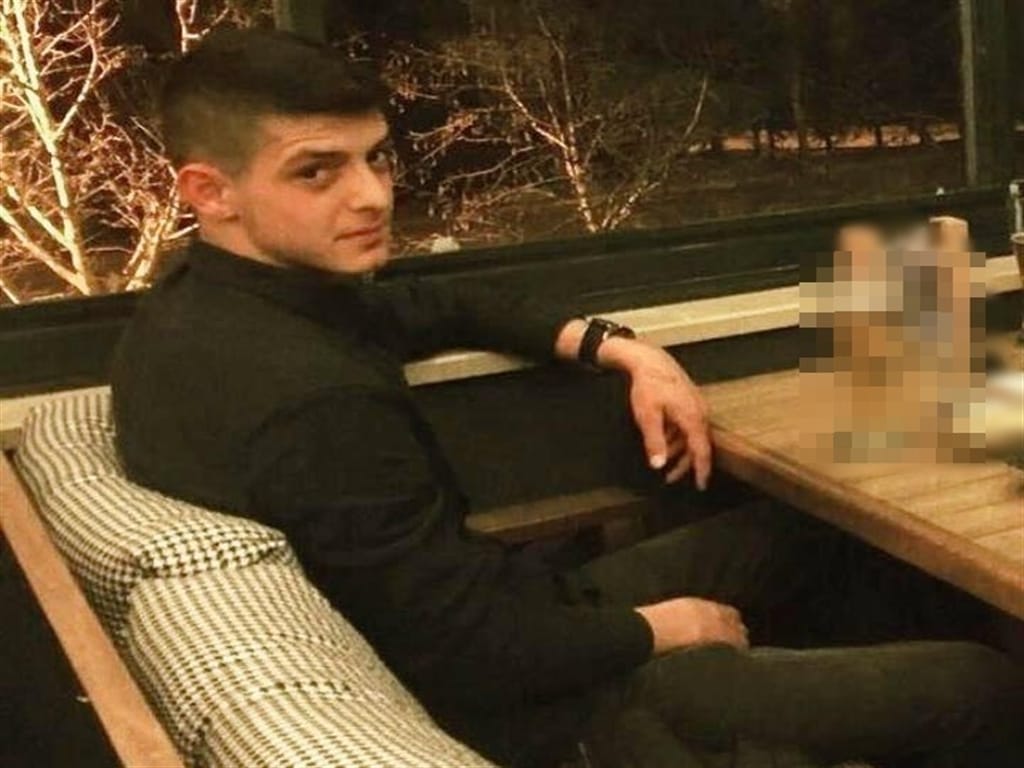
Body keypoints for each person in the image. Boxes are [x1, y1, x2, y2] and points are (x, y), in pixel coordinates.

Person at [111, 27, 1024, 768]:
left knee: (811, 540)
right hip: (561, 714)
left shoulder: (219, 302)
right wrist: (661, 629)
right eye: (317, 171)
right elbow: (469, 655)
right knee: (981, 681)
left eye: (376, 159)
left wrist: (617, 347)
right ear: (210, 191)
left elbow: (436, 304)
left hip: (509, 619)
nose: (372, 196)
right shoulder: (309, 404)